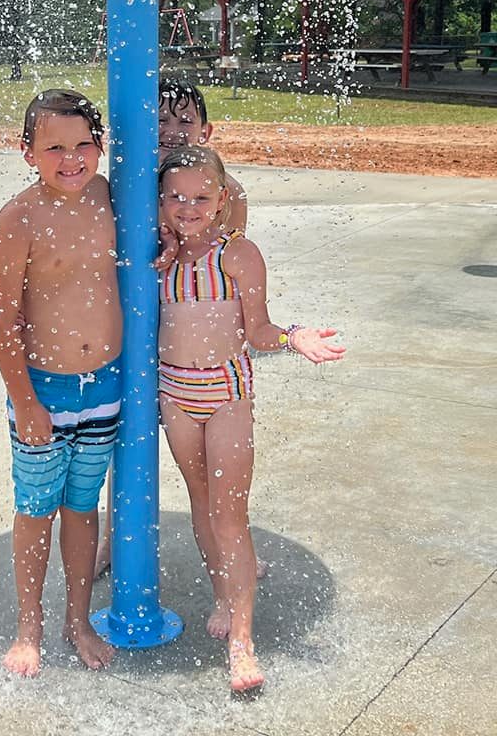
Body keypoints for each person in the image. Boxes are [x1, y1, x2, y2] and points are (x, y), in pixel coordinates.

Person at [157, 145, 345, 694]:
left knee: (229, 513)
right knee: (200, 501)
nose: (188, 207)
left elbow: (258, 332)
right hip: (175, 392)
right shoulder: (157, 256)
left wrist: (293, 338)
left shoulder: (239, 255)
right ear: (161, 204)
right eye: (175, 198)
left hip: (226, 395)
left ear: (220, 200)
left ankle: (242, 642)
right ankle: (222, 593)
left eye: (200, 197)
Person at [0, 89, 122, 678]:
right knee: (37, 510)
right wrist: (24, 400)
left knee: (82, 507)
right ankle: (29, 625)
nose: (72, 159)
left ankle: (78, 619)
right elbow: (1, 316)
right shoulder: (19, 218)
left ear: (101, 147)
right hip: (45, 391)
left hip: (107, 387)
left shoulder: (111, 198)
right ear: (27, 153)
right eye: (55, 148)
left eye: (84, 145)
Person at [92, 77, 250, 580]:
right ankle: (115, 543)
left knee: (212, 467)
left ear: (206, 130)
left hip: (190, 342)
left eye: (185, 120)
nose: (174, 129)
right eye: (162, 119)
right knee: (128, 441)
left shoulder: (219, 190)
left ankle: (233, 545)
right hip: (136, 337)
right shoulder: (129, 182)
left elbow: (224, 251)